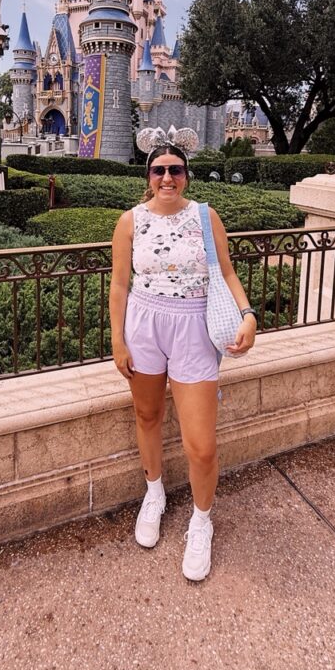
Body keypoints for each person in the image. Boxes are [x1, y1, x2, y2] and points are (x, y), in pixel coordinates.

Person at [109, 128, 258, 581]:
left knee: (202, 444)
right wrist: (118, 339)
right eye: (159, 170)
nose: (167, 177)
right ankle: (153, 492)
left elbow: (227, 273)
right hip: (145, 324)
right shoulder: (129, 220)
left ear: (186, 177)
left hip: (194, 327)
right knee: (148, 415)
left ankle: (201, 519)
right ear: (148, 176)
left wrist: (248, 314)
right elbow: (119, 284)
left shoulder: (205, 217)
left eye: (175, 170)